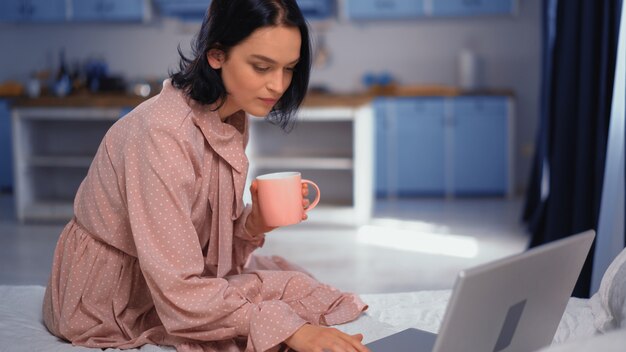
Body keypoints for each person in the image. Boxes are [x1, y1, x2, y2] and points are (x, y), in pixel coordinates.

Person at [42, 0, 370, 351]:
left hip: (164, 274)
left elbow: (204, 247)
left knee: (299, 286)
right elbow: (178, 287)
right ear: (217, 55)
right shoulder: (162, 134)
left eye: (288, 68)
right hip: (109, 298)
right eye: (261, 67)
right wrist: (290, 331)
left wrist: (253, 223)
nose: (278, 85)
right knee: (282, 314)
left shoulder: (228, 115)